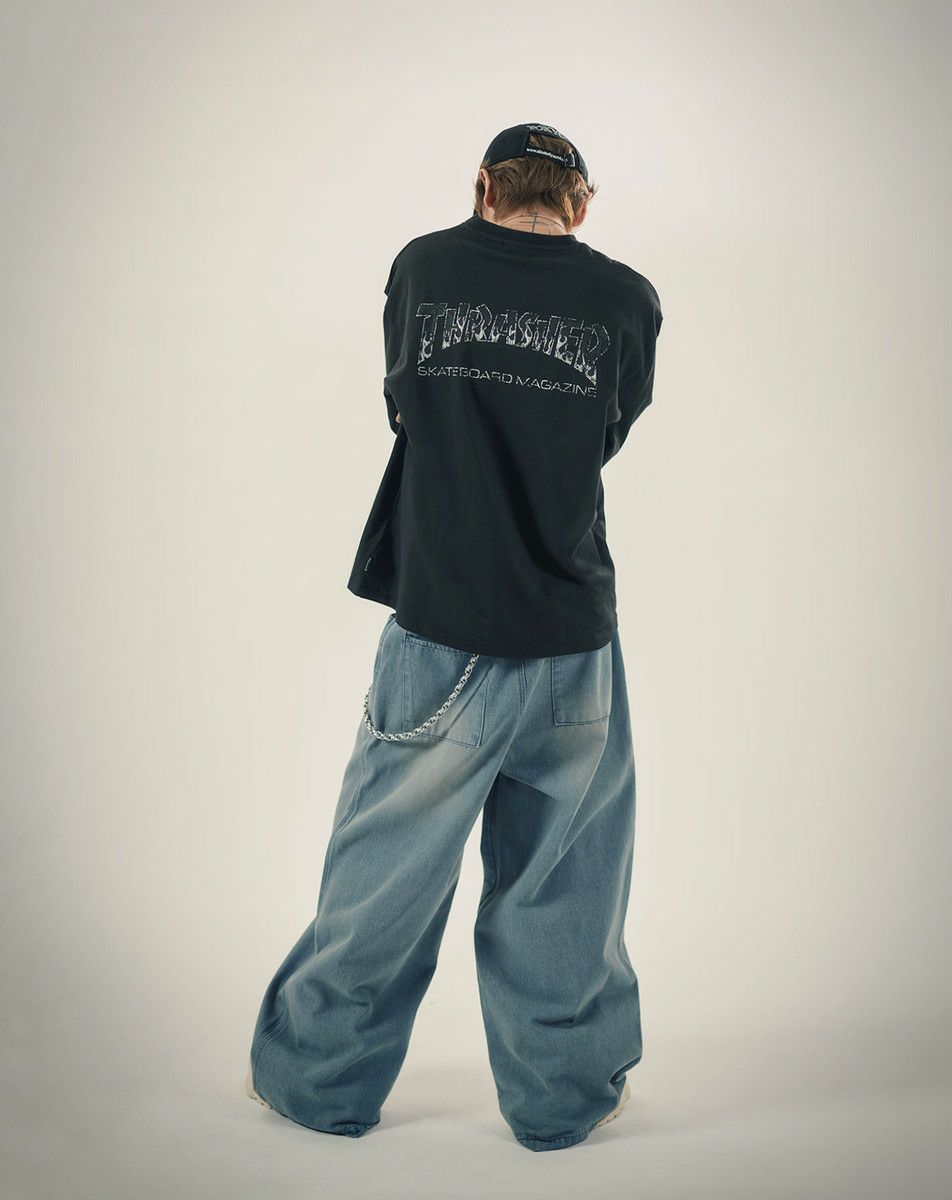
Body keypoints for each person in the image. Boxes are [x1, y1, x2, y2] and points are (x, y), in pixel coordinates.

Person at [246, 122, 663, 1152]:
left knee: (382, 877)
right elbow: (609, 429)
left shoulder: (425, 268)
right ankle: (563, 1102)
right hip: (572, 639)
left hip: (442, 630)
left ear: (483, 186)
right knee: (567, 887)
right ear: (580, 202)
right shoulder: (625, 297)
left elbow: (405, 405)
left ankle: (318, 1084)